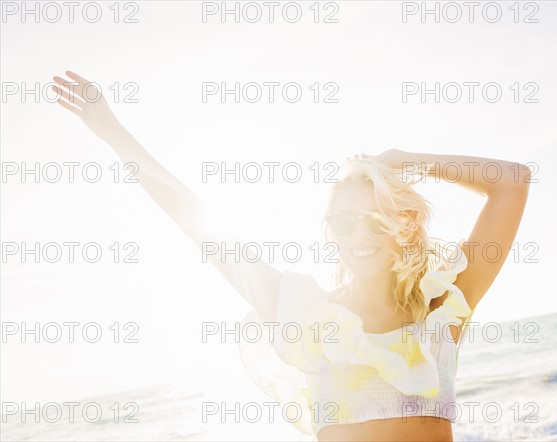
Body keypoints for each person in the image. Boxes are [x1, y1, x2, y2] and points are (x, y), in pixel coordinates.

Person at [52, 71, 531, 442]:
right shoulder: (302, 312)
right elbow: (191, 217)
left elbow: (512, 182)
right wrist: (112, 132)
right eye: (346, 221)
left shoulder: (439, 311)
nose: (360, 233)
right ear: (332, 232)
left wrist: (406, 159)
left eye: (376, 218)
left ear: (403, 225)